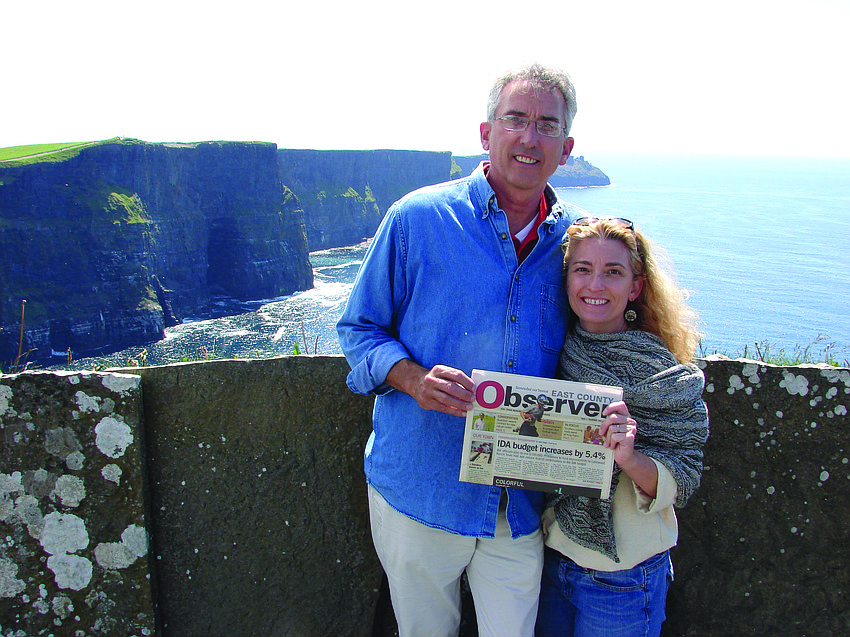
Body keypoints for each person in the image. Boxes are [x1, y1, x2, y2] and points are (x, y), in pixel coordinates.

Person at [337, 64, 582, 637]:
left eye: (547, 125)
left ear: (566, 148)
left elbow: (601, 341)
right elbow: (358, 328)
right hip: (422, 490)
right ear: (485, 132)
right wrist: (413, 379)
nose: (529, 137)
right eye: (515, 119)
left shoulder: (576, 244)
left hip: (515, 503)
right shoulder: (418, 218)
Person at [535, 217, 710, 637]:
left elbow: (683, 478)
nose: (595, 285)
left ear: (635, 287)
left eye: (613, 272)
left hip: (625, 579)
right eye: (582, 269)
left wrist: (629, 458)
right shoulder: (551, 353)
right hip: (551, 559)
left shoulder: (663, 375)